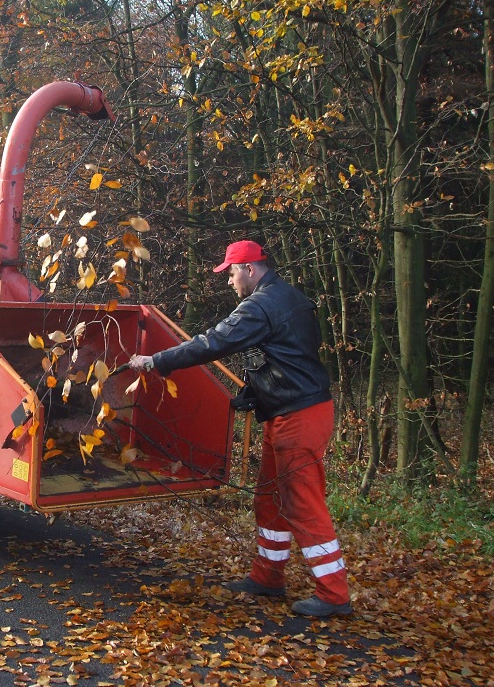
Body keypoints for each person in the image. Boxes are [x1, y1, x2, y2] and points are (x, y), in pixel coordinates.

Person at [129, 240, 352, 618]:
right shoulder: (288, 297)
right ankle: (268, 577)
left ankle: (333, 594)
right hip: (287, 409)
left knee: (301, 501)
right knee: (269, 497)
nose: (230, 281)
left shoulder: (260, 305)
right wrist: (254, 391)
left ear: (249, 269)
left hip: (299, 416)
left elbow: (212, 342)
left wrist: (157, 360)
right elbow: (286, 353)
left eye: (231, 273)